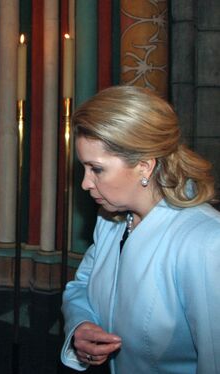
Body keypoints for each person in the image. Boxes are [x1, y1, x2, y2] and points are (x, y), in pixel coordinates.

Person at [61, 85, 220, 373]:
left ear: (144, 166)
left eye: (96, 169)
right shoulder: (111, 220)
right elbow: (81, 286)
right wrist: (80, 325)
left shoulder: (206, 243)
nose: (85, 183)